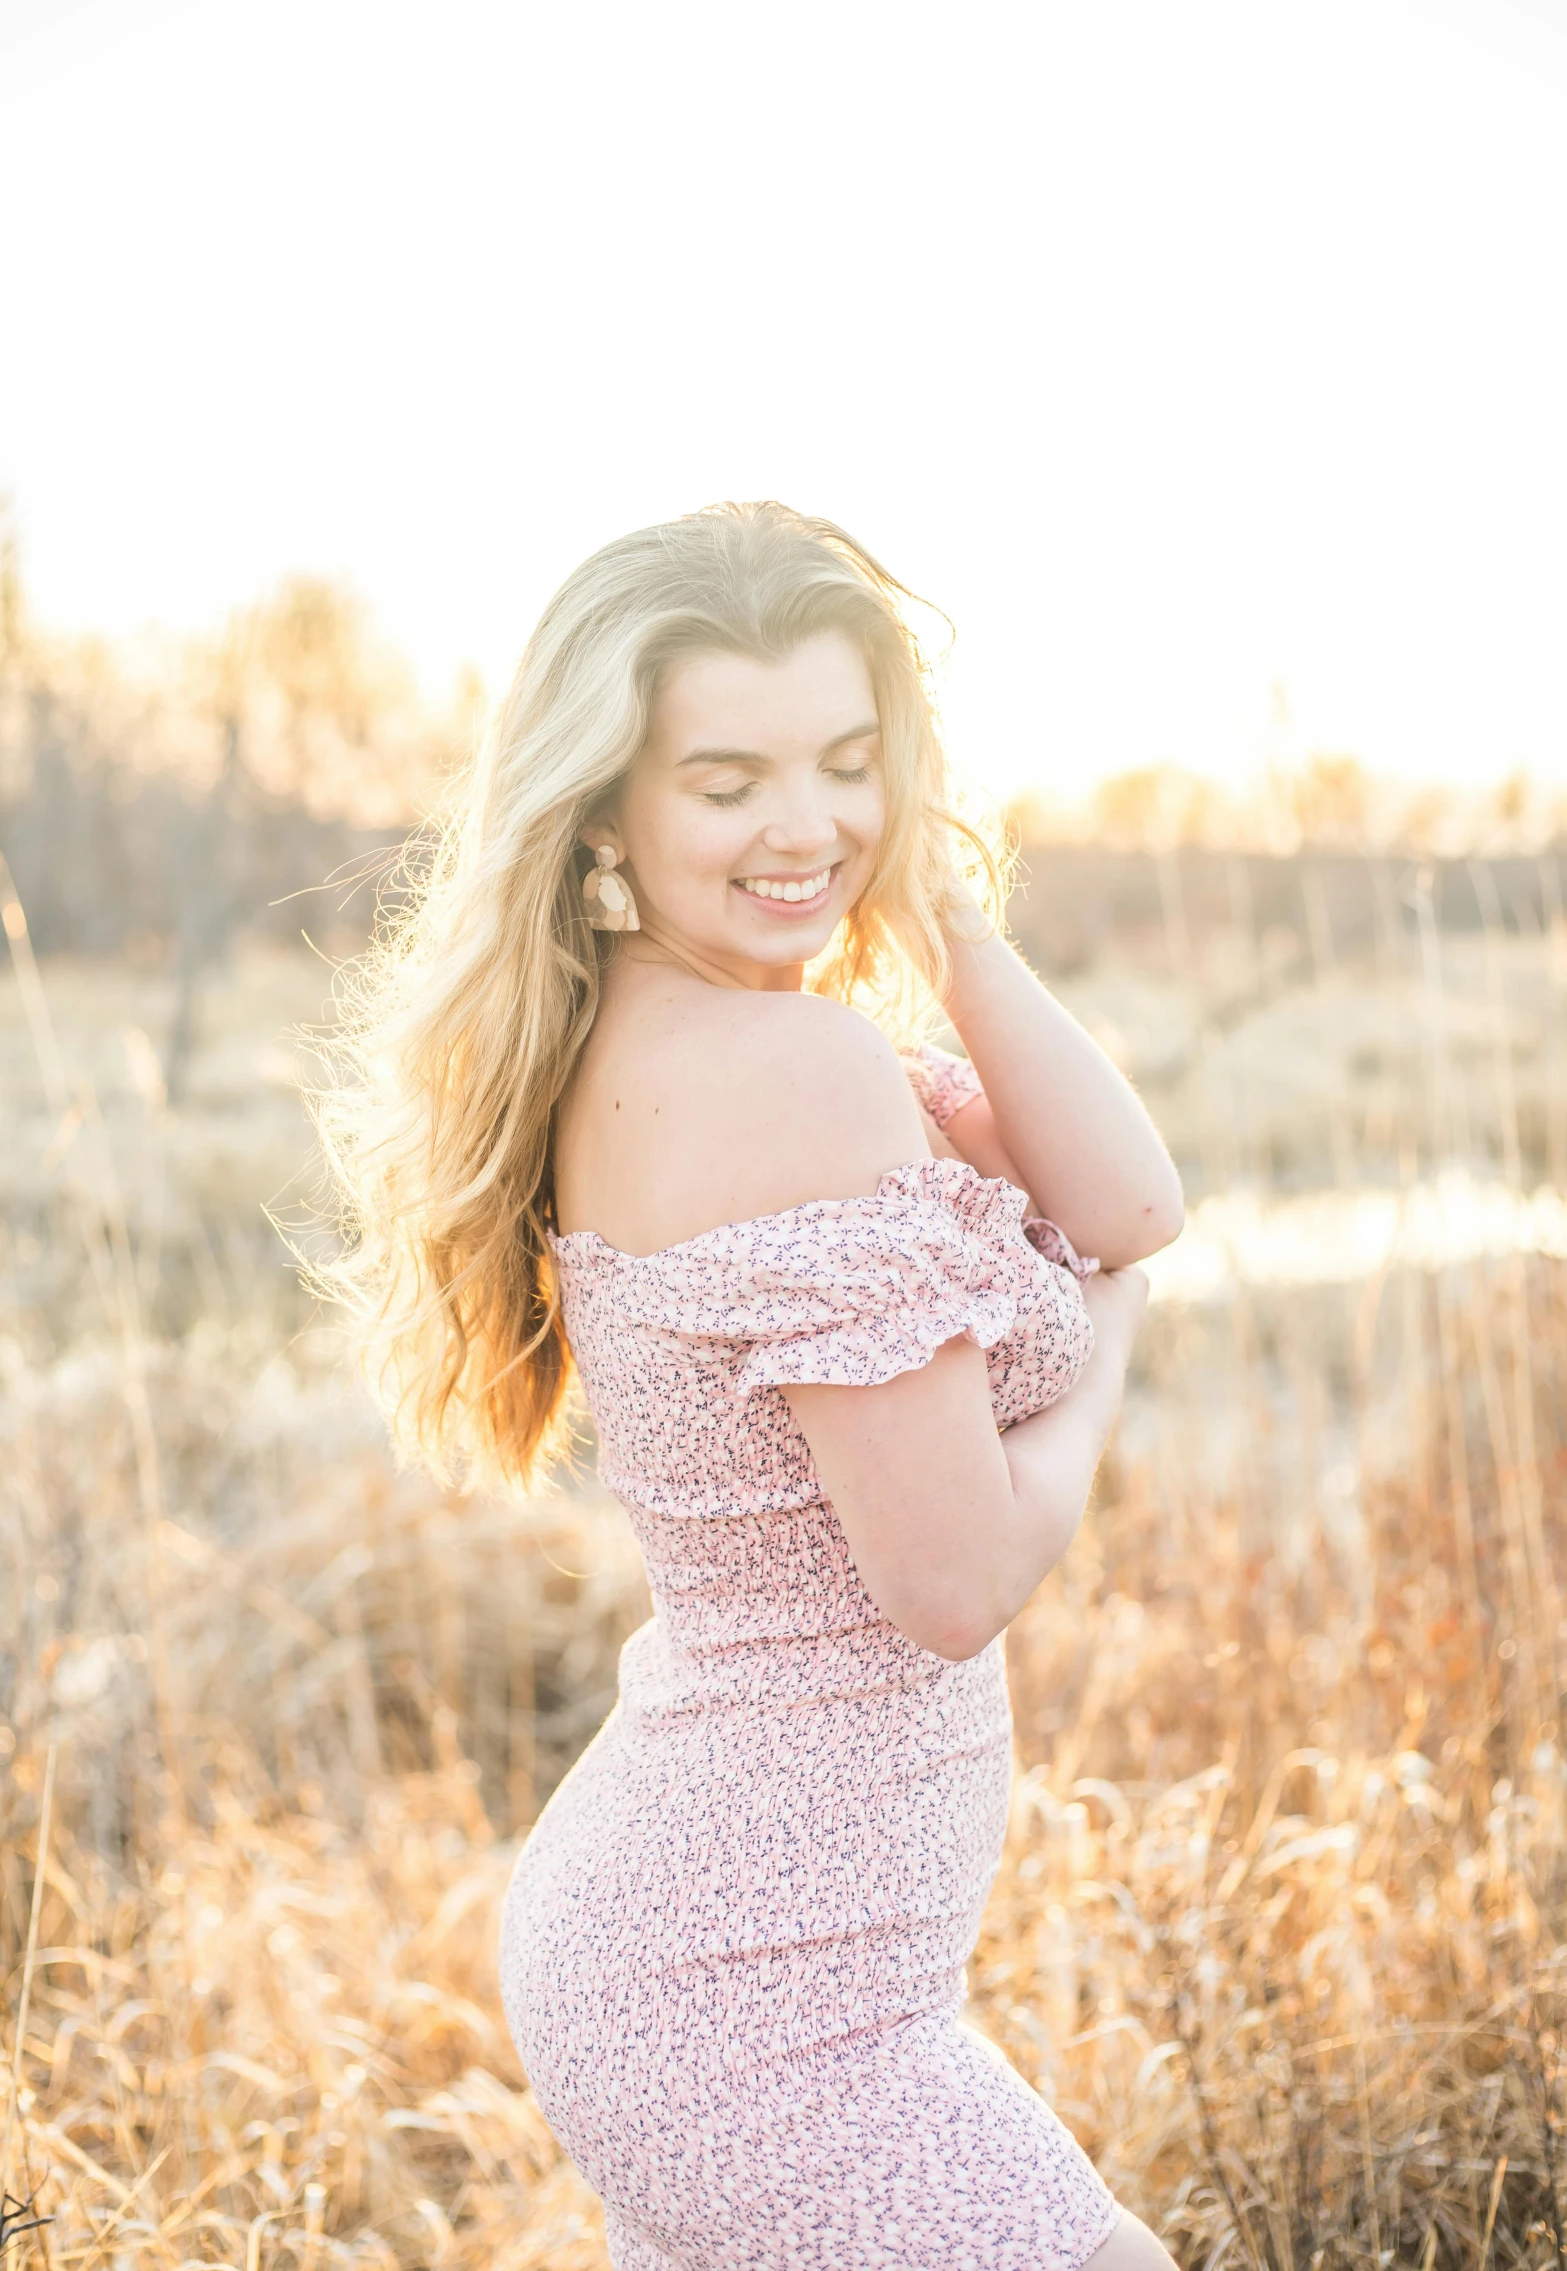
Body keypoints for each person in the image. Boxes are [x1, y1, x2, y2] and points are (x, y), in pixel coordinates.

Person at [316, 502, 1185, 2270]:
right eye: (727, 780)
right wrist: (1091, 1373)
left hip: (720, 1956)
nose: (807, 828)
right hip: (755, 2005)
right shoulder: (784, 1070)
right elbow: (950, 1585)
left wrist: (937, 909)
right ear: (607, 810)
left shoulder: (692, 1028)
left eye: (850, 762)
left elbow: (1128, 1202)